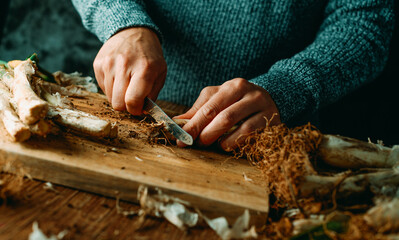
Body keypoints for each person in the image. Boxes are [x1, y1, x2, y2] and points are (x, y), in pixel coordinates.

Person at [72, 0, 394, 150]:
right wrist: (121, 21)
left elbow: (364, 23)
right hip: (126, 118)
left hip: (269, 138)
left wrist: (290, 85)